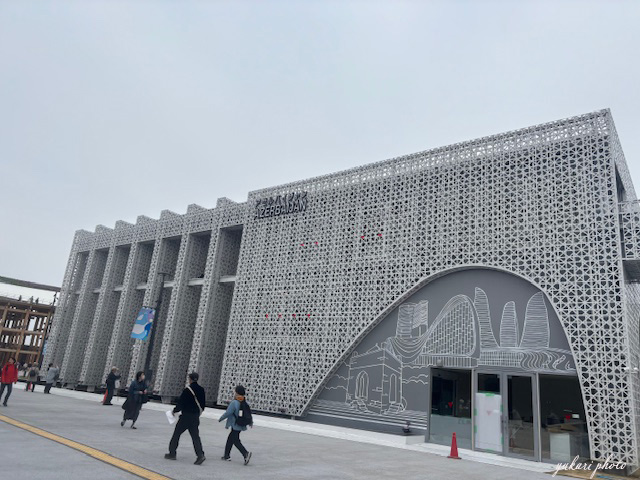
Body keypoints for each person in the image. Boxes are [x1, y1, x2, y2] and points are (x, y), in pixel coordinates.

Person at [164, 372, 206, 465]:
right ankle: (200, 455)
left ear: (190, 379)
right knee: (195, 437)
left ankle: (172, 453)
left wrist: (174, 411)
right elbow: (203, 405)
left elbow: (181, 403)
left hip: (186, 417)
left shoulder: (187, 390)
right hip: (195, 417)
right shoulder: (201, 390)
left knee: (176, 434)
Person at [218, 385, 252, 465]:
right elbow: (248, 413)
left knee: (235, 440)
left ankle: (245, 453)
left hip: (235, 424)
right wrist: (251, 422)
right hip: (241, 424)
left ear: (237, 392)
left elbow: (228, 412)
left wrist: (221, 418)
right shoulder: (244, 401)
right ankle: (226, 455)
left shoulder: (235, 402)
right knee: (231, 439)